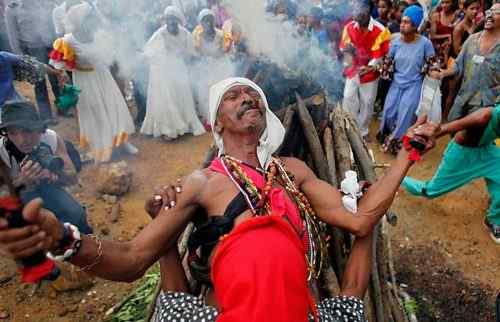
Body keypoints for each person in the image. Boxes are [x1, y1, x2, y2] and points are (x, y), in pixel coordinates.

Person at [0, 77, 439, 322]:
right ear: (217, 120)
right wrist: (65, 239)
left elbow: (361, 221)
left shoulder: (294, 171)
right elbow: (133, 257)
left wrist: (407, 155)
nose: (248, 97)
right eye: (234, 95)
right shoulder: (202, 183)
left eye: (254, 97)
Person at [48, 2, 138, 164]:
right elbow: (59, 65)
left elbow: (111, 56)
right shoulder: (68, 41)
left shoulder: (100, 34)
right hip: (85, 81)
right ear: (79, 20)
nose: (93, 20)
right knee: (95, 113)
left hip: (103, 76)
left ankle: (123, 143)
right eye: (88, 18)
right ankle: (103, 149)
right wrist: (64, 76)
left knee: (113, 107)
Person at [0, 101, 92, 233]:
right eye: (13, 133)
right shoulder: (1, 151)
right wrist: (22, 182)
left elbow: (73, 178)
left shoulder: (50, 138)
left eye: (27, 130)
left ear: (37, 127)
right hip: (18, 196)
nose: (22, 140)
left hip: (48, 186)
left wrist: (56, 175)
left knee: (76, 215)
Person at [378, 6, 439, 154]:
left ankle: (397, 145)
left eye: (407, 22)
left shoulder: (425, 43)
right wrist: (379, 69)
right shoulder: (396, 41)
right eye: (402, 21)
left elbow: (433, 64)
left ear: (415, 26)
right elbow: (387, 62)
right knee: (388, 112)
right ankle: (386, 137)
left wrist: (434, 73)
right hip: (396, 83)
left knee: (405, 115)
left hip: (414, 84)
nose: (402, 24)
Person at [141, 6, 206, 141]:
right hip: (163, 71)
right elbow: (148, 53)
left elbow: (192, 51)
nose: (171, 22)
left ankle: (185, 125)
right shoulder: (160, 34)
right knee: (168, 98)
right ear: (165, 21)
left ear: (178, 21)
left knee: (182, 96)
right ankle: (169, 129)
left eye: (173, 20)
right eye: (168, 19)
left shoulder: (184, 33)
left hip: (179, 68)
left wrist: (187, 56)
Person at [340, 0, 391, 141]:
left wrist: (369, 67)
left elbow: (379, 55)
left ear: (367, 12)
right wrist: (349, 60)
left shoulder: (381, 31)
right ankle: (348, 126)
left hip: (370, 74)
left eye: (359, 10)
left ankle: (362, 131)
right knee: (348, 97)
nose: (355, 14)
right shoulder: (349, 27)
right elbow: (345, 48)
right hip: (353, 69)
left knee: (367, 102)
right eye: (354, 9)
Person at [439, 2, 499, 122]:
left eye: (496, 13)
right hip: (463, 99)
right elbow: (458, 65)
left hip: (485, 105)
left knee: (469, 136)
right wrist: (442, 73)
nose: (490, 15)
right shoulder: (472, 40)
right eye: (489, 12)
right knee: (453, 127)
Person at [5, 0, 61, 124]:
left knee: (55, 78)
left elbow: (52, 22)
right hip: (32, 49)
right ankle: (46, 116)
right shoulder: (12, 8)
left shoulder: (43, 3)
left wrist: (58, 44)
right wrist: (20, 57)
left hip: (50, 45)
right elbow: (12, 34)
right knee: (39, 83)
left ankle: (62, 107)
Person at [0, 51, 67, 109]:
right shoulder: (3, 57)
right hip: (12, 106)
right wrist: (57, 73)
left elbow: (37, 66)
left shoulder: (3, 57)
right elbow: (38, 66)